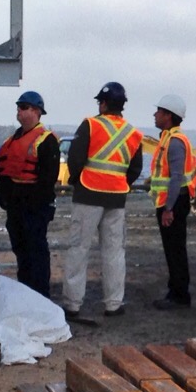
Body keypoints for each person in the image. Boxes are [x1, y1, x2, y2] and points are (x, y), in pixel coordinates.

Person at [61, 81, 144, 317]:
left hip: (88, 194)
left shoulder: (90, 125)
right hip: (117, 197)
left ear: (104, 103)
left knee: (79, 248)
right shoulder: (133, 133)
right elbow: (135, 168)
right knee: (114, 251)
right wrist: (121, 183)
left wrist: (78, 180)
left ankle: (73, 304)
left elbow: (75, 159)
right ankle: (114, 303)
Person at [0, 90, 61, 297]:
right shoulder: (13, 140)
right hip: (15, 205)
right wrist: (4, 196)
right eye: (18, 108)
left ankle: (41, 295)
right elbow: (5, 171)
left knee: (36, 252)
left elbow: (48, 179)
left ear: (36, 111)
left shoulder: (46, 140)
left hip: (34, 206)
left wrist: (35, 203)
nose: (19, 112)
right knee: (21, 251)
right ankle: (25, 292)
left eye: (23, 108)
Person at [149, 94, 196, 310]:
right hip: (172, 202)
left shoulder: (175, 141)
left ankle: (179, 295)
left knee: (175, 250)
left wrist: (168, 209)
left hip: (173, 204)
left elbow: (176, 177)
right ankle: (176, 291)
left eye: (159, 111)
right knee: (173, 249)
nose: (155, 114)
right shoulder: (169, 138)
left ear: (168, 115)